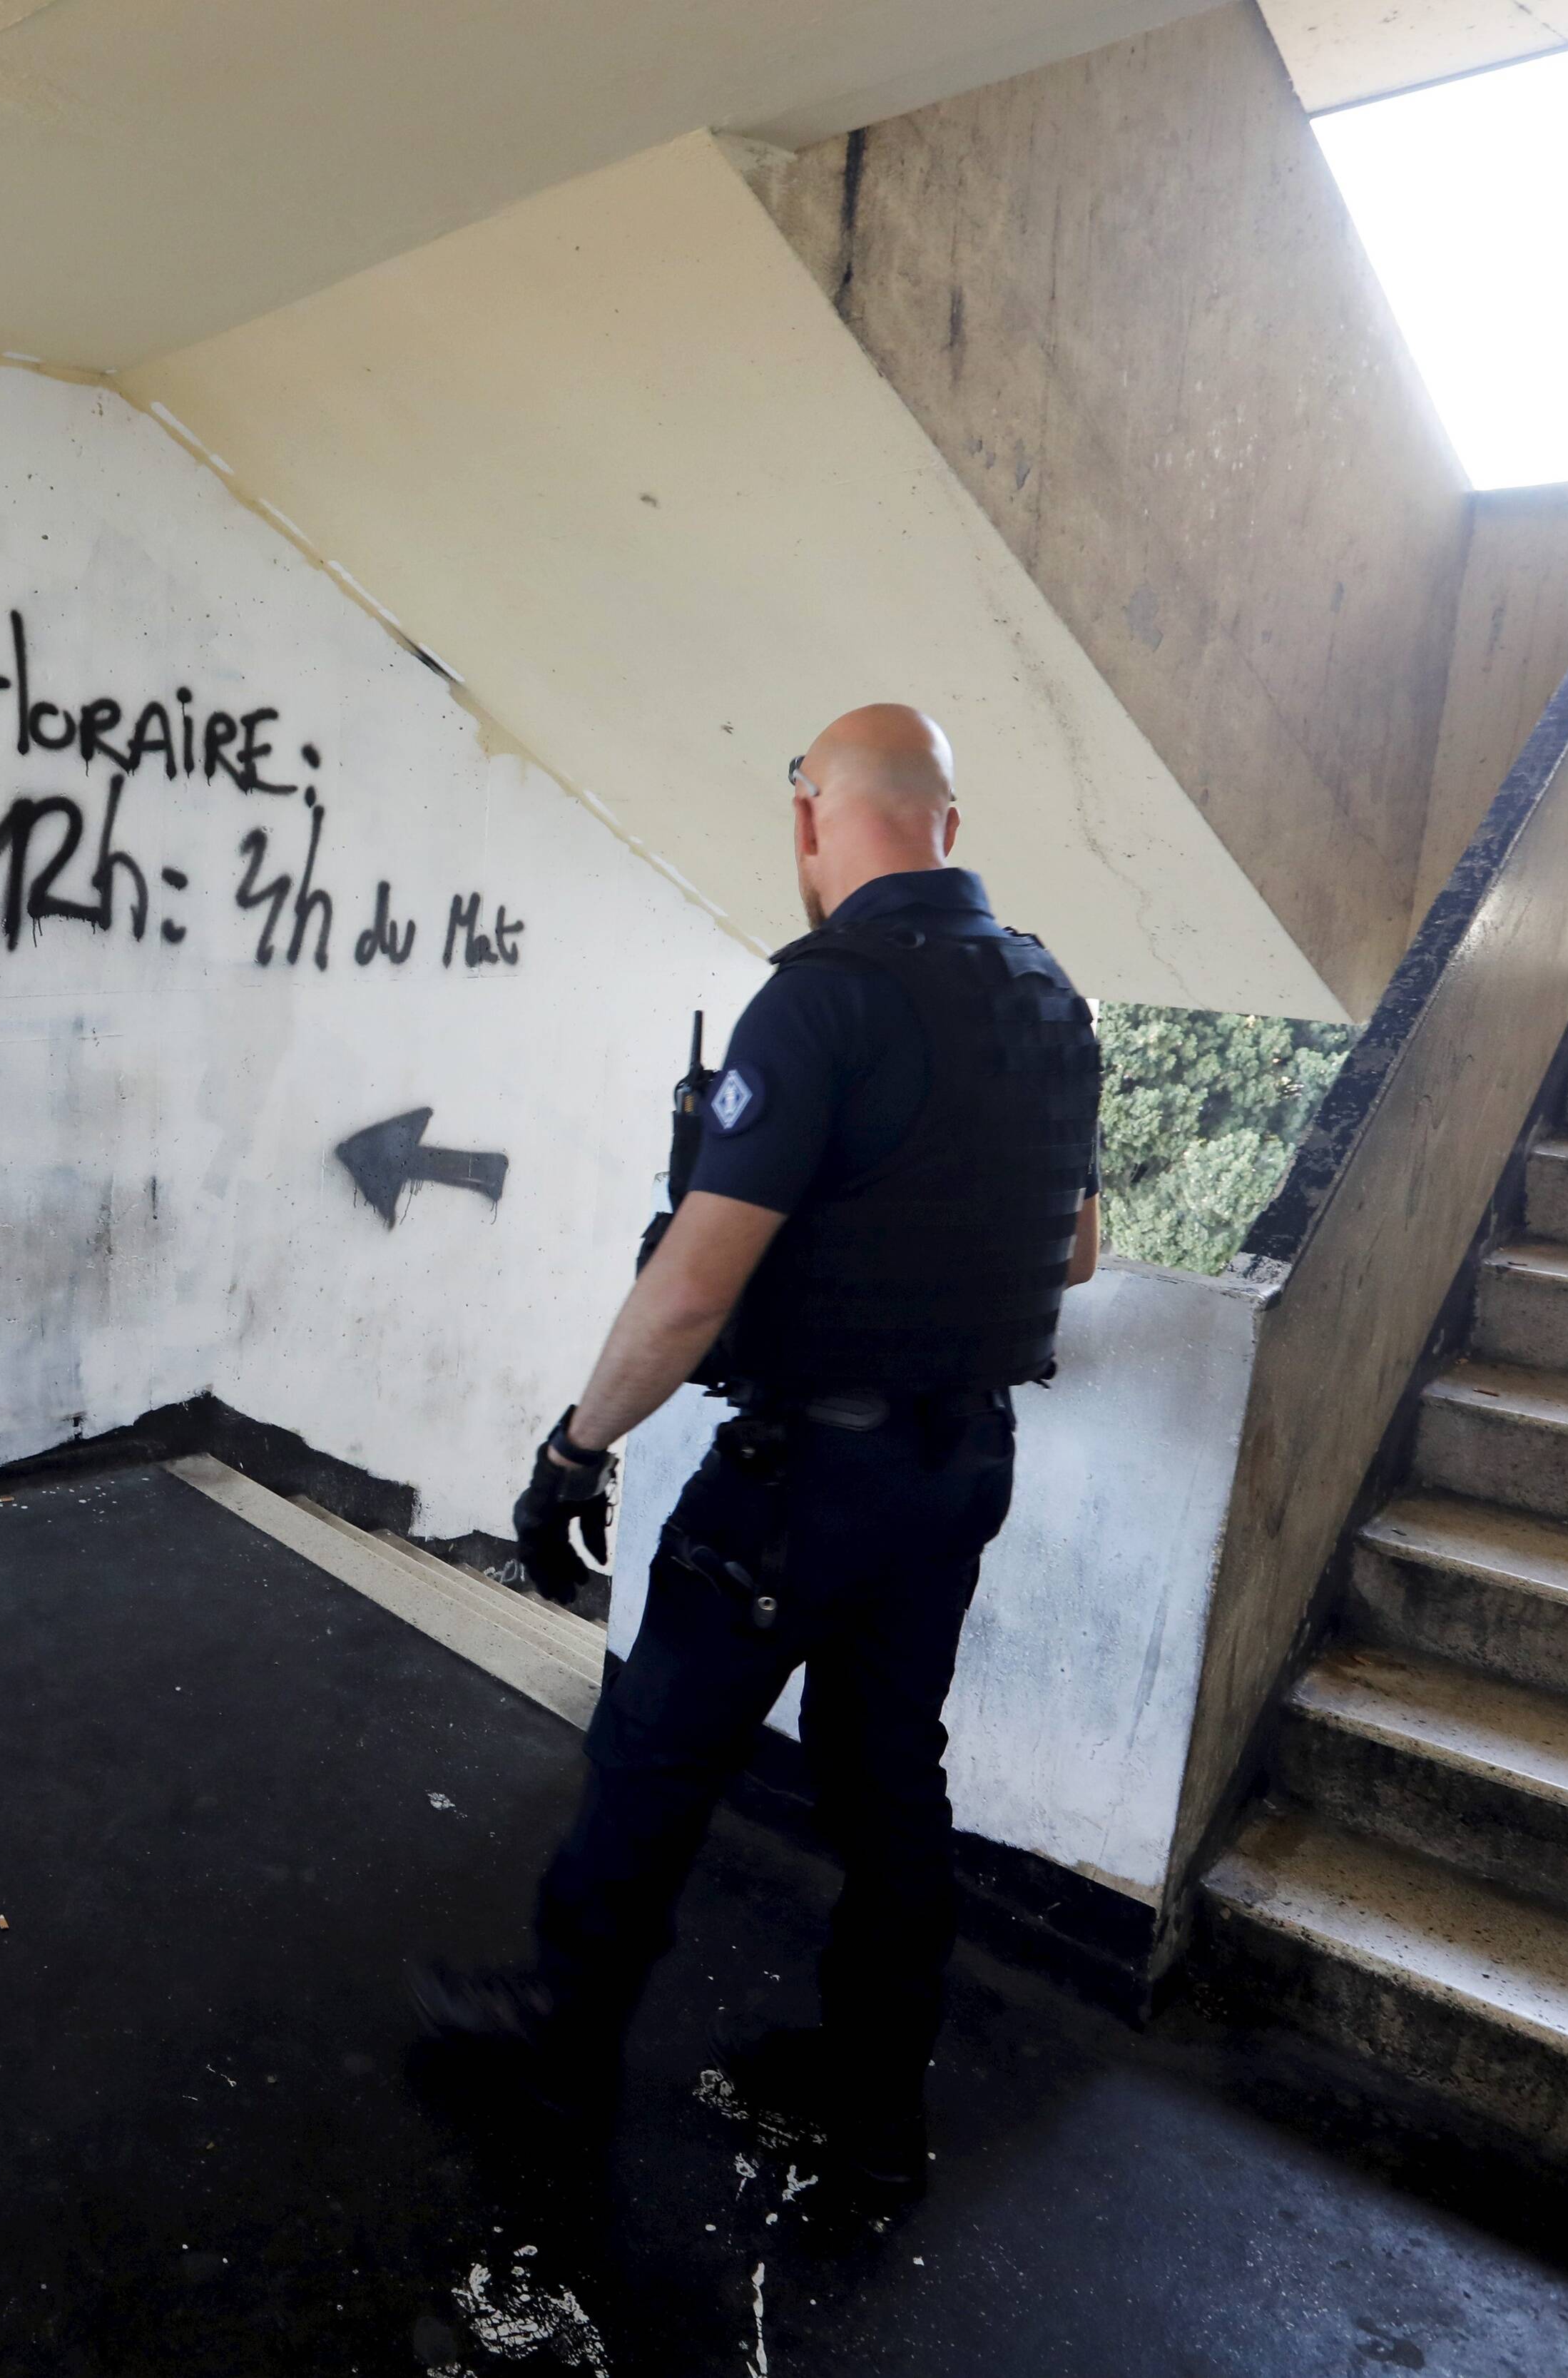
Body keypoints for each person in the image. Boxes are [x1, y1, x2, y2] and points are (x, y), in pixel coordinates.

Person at [409, 703, 1101, 2200]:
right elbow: (1081, 1253)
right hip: (958, 1468)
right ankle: (871, 2095)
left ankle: (555, 2039)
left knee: (653, 1752)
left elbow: (691, 1286)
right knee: (885, 1780)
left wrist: (572, 1451)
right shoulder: (1049, 998)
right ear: (949, 825)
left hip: (805, 1486)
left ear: (809, 818)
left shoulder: (826, 998)